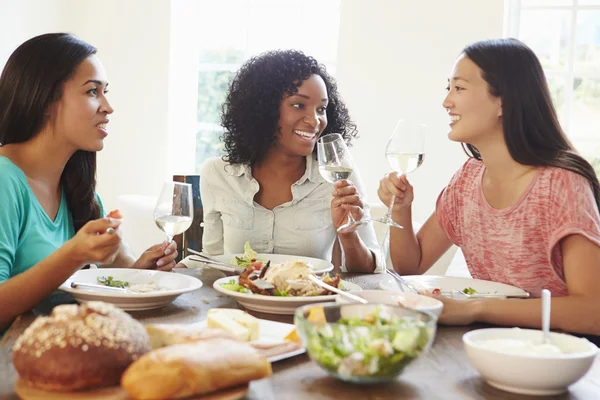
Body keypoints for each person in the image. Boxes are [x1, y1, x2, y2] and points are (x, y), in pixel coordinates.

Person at [378, 38, 600, 335]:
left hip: (559, 357)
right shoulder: (467, 181)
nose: (447, 101)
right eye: (449, 88)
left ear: (503, 102)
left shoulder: (561, 185)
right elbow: (412, 266)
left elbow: (593, 312)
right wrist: (401, 211)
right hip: (491, 344)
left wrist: (475, 309)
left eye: (459, 88)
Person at [0, 33, 178, 331]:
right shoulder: (6, 181)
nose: (108, 107)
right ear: (44, 99)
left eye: (105, 91)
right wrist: (74, 255)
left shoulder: (78, 188)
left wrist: (140, 270)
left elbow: (98, 285)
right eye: (93, 91)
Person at [181, 50, 383, 273]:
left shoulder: (336, 175)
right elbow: (212, 260)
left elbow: (370, 270)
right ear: (264, 109)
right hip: (235, 303)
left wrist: (348, 233)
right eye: (299, 105)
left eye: (321, 109)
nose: (315, 120)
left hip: (306, 304)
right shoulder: (218, 173)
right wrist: (176, 269)